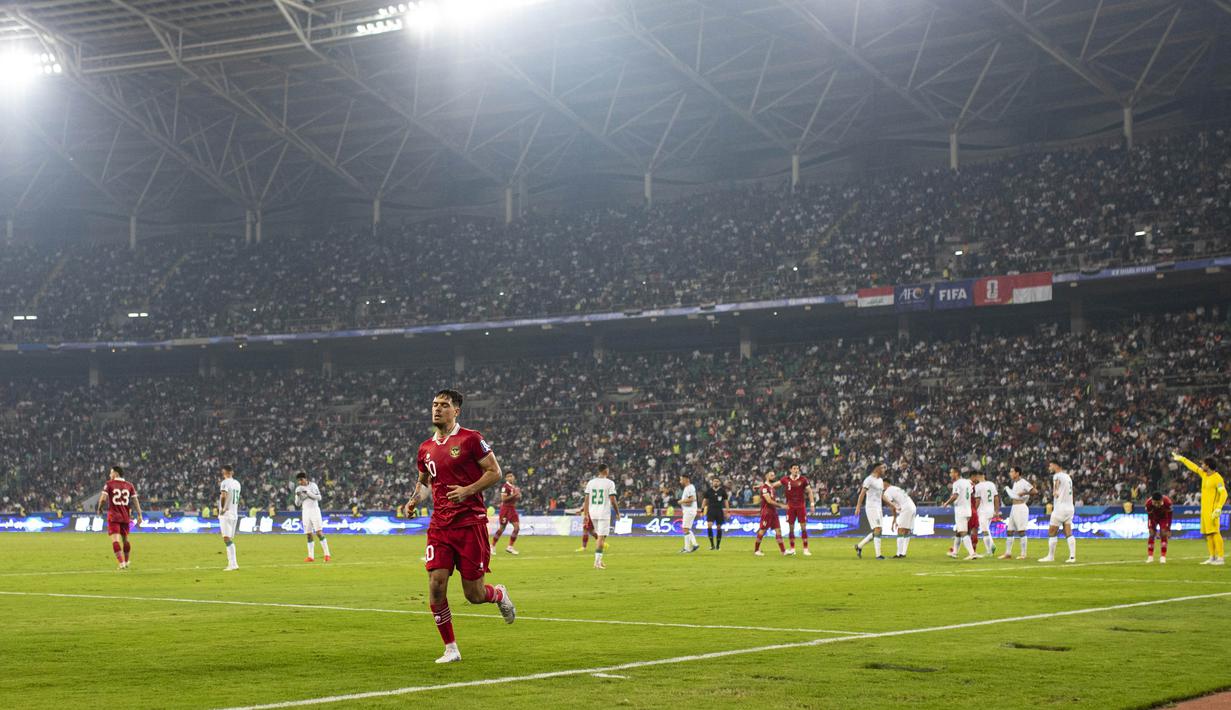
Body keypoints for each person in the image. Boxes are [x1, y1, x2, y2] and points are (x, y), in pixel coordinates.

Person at [403, 389, 516, 664]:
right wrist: (414, 500)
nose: (437, 409)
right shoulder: (425, 448)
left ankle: (498, 593)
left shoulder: (471, 439)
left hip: (469, 524)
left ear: (456, 411)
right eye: (434, 404)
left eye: (444, 405)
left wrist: (468, 490)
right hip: (440, 526)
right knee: (436, 584)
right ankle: (451, 648)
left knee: (474, 594)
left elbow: (495, 472)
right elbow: (425, 483)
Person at [1171, 453, 1226, 565]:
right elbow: (1193, 467)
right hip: (1204, 509)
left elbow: (1223, 493)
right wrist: (1182, 459)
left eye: (1203, 464)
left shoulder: (1217, 478)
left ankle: (1221, 558)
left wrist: (1219, 508)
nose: (1201, 466)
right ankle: (1212, 557)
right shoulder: (1204, 474)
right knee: (1208, 534)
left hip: (1213, 510)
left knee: (1215, 532)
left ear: (1208, 465)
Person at [96, 466, 142, 570]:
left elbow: (103, 499)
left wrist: (99, 508)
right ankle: (126, 561)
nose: (109, 475)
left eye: (110, 473)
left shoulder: (109, 484)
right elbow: (135, 501)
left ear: (116, 474)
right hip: (125, 517)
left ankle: (121, 563)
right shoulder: (130, 485)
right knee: (125, 540)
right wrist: (140, 514)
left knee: (115, 540)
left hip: (114, 516)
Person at [583, 463, 620, 569]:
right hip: (603, 513)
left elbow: (586, 499)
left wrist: (586, 514)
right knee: (601, 537)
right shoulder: (609, 483)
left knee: (601, 536)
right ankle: (597, 562)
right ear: (605, 471)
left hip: (593, 512)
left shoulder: (591, 482)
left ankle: (599, 559)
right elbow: (613, 500)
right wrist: (617, 512)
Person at [1039, 460, 1076, 563]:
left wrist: (1054, 492)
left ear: (1056, 466)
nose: (1049, 468)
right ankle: (1072, 557)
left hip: (1060, 508)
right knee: (1068, 531)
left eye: (1050, 466)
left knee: (1051, 531)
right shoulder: (1068, 477)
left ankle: (1050, 556)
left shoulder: (1057, 476)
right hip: (1070, 507)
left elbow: (1056, 490)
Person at [779, 464, 815, 556]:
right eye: (794, 468)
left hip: (800, 506)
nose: (796, 470)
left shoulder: (803, 480)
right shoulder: (785, 479)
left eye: (797, 468)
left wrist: (812, 504)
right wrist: (762, 486)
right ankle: (792, 549)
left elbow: (810, 491)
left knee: (803, 528)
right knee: (791, 529)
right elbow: (774, 485)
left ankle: (805, 549)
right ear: (790, 470)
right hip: (790, 507)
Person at [294, 473, 331, 562]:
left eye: (301, 480)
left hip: (315, 510)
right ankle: (311, 556)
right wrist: (299, 496)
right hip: (305, 511)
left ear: (306, 479)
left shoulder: (313, 485)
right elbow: (297, 504)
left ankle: (327, 554)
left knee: (318, 532)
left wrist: (307, 493)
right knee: (308, 534)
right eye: (299, 480)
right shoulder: (298, 489)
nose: (300, 482)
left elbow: (319, 497)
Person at [1000, 465, 1034, 560]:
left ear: (1017, 473)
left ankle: (1023, 554)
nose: (1010, 473)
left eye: (1012, 472)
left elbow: (1034, 491)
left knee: (1021, 531)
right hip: (1014, 507)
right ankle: (1008, 553)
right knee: (1010, 531)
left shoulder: (1024, 483)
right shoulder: (1015, 483)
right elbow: (1014, 495)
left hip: (1021, 508)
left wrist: (1024, 493)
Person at [944, 468, 978, 560]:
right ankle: (954, 552)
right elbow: (971, 492)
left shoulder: (956, 483)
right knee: (958, 532)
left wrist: (946, 503)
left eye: (951, 472)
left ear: (956, 473)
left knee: (963, 532)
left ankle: (972, 553)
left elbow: (955, 496)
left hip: (961, 510)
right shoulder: (967, 482)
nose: (950, 474)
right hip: (968, 509)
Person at [854, 463, 886, 559]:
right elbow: (862, 493)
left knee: (879, 531)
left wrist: (892, 504)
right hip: (871, 507)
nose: (884, 469)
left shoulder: (880, 480)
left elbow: (882, 495)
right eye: (883, 468)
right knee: (877, 529)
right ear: (877, 469)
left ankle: (859, 546)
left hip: (879, 508)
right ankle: (878, 555)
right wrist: (858, 506)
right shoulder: (869, 479)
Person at [754, 471, 786, 557]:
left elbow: (772, 485)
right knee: (762, 530)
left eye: (774, 475)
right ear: (766, 476)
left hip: (774, 512)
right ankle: (756, 550)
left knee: (778, 531)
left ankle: (783, 551)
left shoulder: (770, 487)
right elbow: (768, 501)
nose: (773, 476)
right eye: (771, 475)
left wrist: (758, 486)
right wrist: (781, 505)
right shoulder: (764, 488)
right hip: (767, 512)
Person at [491, 473, 521, 555]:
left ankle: (510, 547)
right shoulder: (505, 487)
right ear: (506, 478)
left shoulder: (514, 487)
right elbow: (503, 499)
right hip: (505, 509)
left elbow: (516, 498)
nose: (510, 477)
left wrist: (518, 495)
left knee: (517, 527)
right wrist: (515, 494)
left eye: (511, 476)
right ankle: (492, 546)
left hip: (512, 509)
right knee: (502, 528)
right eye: (508, 476)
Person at [882, 483, 915, 558]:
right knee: (907, 531)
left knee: (900, 530)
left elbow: (892, 505)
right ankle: (903, 553)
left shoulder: (887, 492)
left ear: (885, 484)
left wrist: (894, 519)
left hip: (906, 508)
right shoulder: (896, 488)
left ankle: (898, 554)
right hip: (912, 506)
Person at [218, 465, 242, 571]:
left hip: (226, 514)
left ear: (224, 472)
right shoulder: (237, 483)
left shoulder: (225, 483)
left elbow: (223, 495)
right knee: (229, 539)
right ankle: (233, 563)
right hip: (234, 513)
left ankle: (233, 564)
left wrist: (223, 508)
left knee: (226, 539)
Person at [973, 471, 1000, 557]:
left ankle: (989, 551)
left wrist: (973, 510)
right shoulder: (991, 484)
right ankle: (992, 546)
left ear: (978, 476)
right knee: (986, 529)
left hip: (983, 511)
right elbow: (996, 498)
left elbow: (977, 501)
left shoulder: (978, 486)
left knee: (984, 531)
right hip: (991, 510)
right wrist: (996, 510)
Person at [1144, 491, 1173, 564]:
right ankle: (1150, 557)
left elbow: (1170, 516)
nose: (1157, 505)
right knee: (1151, 534)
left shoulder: (1168, 502)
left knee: (1163, 534)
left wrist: (1168, 528)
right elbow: (1149, 517)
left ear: (1161, 500)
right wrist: (1152, 528)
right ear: (1152, 501)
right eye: (1155, 503)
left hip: (1164, 518)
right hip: (1153, 518)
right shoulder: (1148, 504)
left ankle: (1163, 557)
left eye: (1158, 503)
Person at [701, 476, 728, 550]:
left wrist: (727, 511)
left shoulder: (722, 491)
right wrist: (702, 509)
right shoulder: (709, 491)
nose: (715, 482)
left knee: (719, 527)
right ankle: (712, 545)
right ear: (712, 483)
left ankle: (718, 546)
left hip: (719, 511)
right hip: (711, 510)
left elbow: (726, 501)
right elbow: (705, 500)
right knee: (709, 525)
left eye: (717, 481)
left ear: (719, 483)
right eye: (714, 481)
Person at [678, 473, 700, 553]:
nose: (680, 481)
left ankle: (689, 547)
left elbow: (692, 499)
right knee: (686, 528)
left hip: (689, 511)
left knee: (685, 528)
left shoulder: (689, 487)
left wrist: (681, 501)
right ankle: (692, 545)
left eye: (681, 479)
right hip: (689, 510)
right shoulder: (688, 488)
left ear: (686, 479)